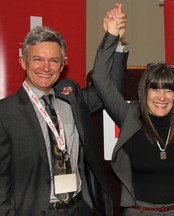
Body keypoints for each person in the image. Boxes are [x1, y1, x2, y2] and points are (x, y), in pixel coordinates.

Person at [0, 4, 128, 216]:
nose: (46, 67)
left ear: (62, 65)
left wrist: (113, 39)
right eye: (38, 59)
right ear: (23, 62)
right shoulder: (5, 113)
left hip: (78, 209)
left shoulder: (72, 98)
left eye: (54, 60)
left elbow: (110, 90)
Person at [92, 14, 174, 215]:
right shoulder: (130, 116)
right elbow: (100, 78)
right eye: (154, 89)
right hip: (139, 212)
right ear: (145, 91)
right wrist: (111, 36)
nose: (162, 96)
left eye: (168, 90)